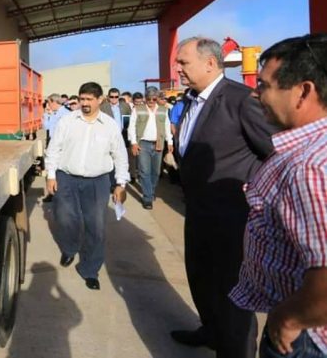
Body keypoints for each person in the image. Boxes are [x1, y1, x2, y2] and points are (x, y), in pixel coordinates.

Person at [171, 37, 275, 358]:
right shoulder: (191, 100)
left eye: (183, 62)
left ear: (210, 63)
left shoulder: (241, 100)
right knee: (201, 279)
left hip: (233, 219)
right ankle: (210, 331)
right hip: (198, 211)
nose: (178, 69)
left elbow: (275, 153)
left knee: (232, 295)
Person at [230, 34, 327, 358]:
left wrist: (289, 318)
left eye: (264, 85)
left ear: (304, 91)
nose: (255, 94)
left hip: (303, 337)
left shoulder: (309, 167)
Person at [44, 82, 129, 291]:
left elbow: (120, 155)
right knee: (65, 218)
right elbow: (54, 148)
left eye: (89, 99)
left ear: (100, 100)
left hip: (98, 182)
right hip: (67, 178)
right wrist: (51, 175)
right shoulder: (67, 121)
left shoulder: (109, 125)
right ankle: (69, 248)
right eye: (82, 99)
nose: (84, 103)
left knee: (96, 226)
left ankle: (90, 269)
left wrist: (121, 183)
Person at [128, 87, 173, 209]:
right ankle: (147, 197)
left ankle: (151, 191)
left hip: (159, 144)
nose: (151, 101)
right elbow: (131, 127)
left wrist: (170, 142)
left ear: (157, 98)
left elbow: (167, 126)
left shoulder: (163, 110)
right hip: (143, 144)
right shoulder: (137, 109)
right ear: (145, 98)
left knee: (156, 172)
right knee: (144, 171)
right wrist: (134, 143)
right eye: (149, 99)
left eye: (154, 99)